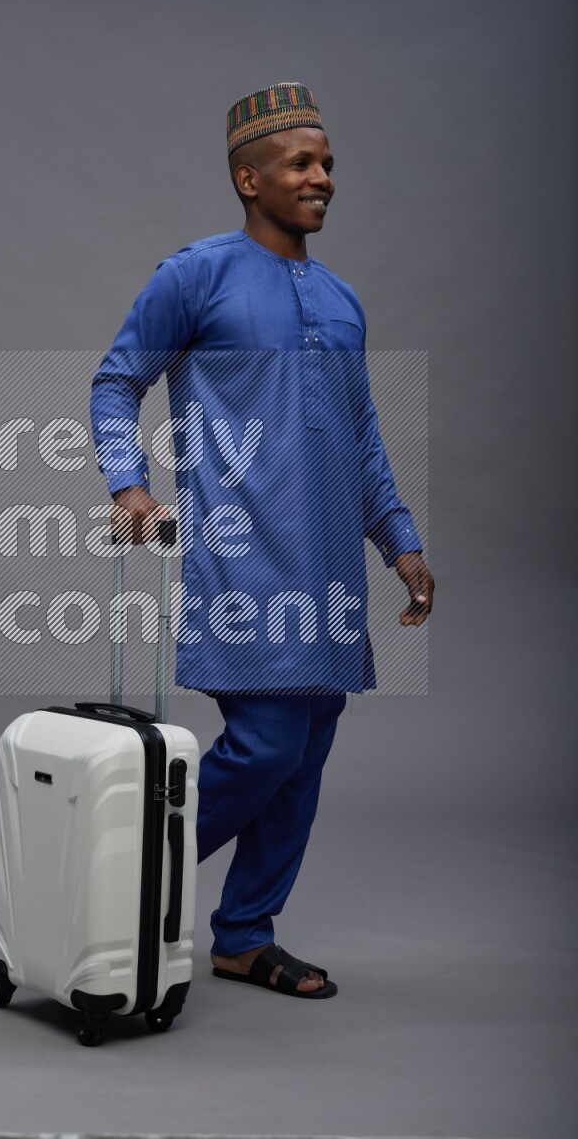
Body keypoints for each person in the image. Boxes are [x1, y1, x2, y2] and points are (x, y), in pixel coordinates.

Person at [90, 82, 434, 998]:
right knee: (269, 743)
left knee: (308, 747)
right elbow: (117, 380)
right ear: (249, 177)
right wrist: (128, 483)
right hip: (243, 556)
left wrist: (397, 538)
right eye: (301, 164)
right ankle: (114, 882)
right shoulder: (194, 275)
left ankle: (244, 931)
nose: (322, 178)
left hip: (327, 566)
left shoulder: (342, 299)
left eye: (327, 165)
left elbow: (360, 435)